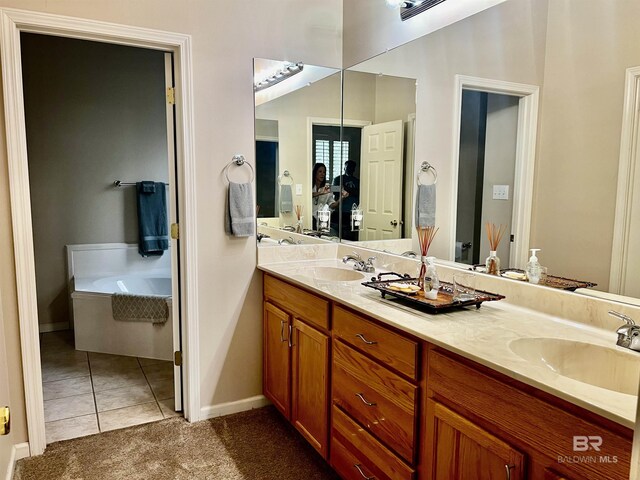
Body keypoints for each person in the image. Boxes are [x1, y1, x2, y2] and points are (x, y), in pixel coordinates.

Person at [332, 160, 360, 240]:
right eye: (348, 167)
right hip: (340, 211)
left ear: (354, 169)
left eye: (352, 167)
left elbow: (359, 192)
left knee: (352, 235)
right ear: (344, 168)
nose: (349, 169)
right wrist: (344, 190)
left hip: (353, 212)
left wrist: (345, 188)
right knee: (338, 235)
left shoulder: (357, 181)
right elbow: (333, 190)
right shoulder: (338, 179)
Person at [311, 163, 342, 233]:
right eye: (320, 171)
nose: (322, 174)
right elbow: (308, 195)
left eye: (324, 172)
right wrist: (321, 192)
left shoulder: (327, 187)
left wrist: (341, 198)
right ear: (315, 172)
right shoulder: (309, 184)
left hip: (321, 218)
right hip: (310, 217)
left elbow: (332, 205)